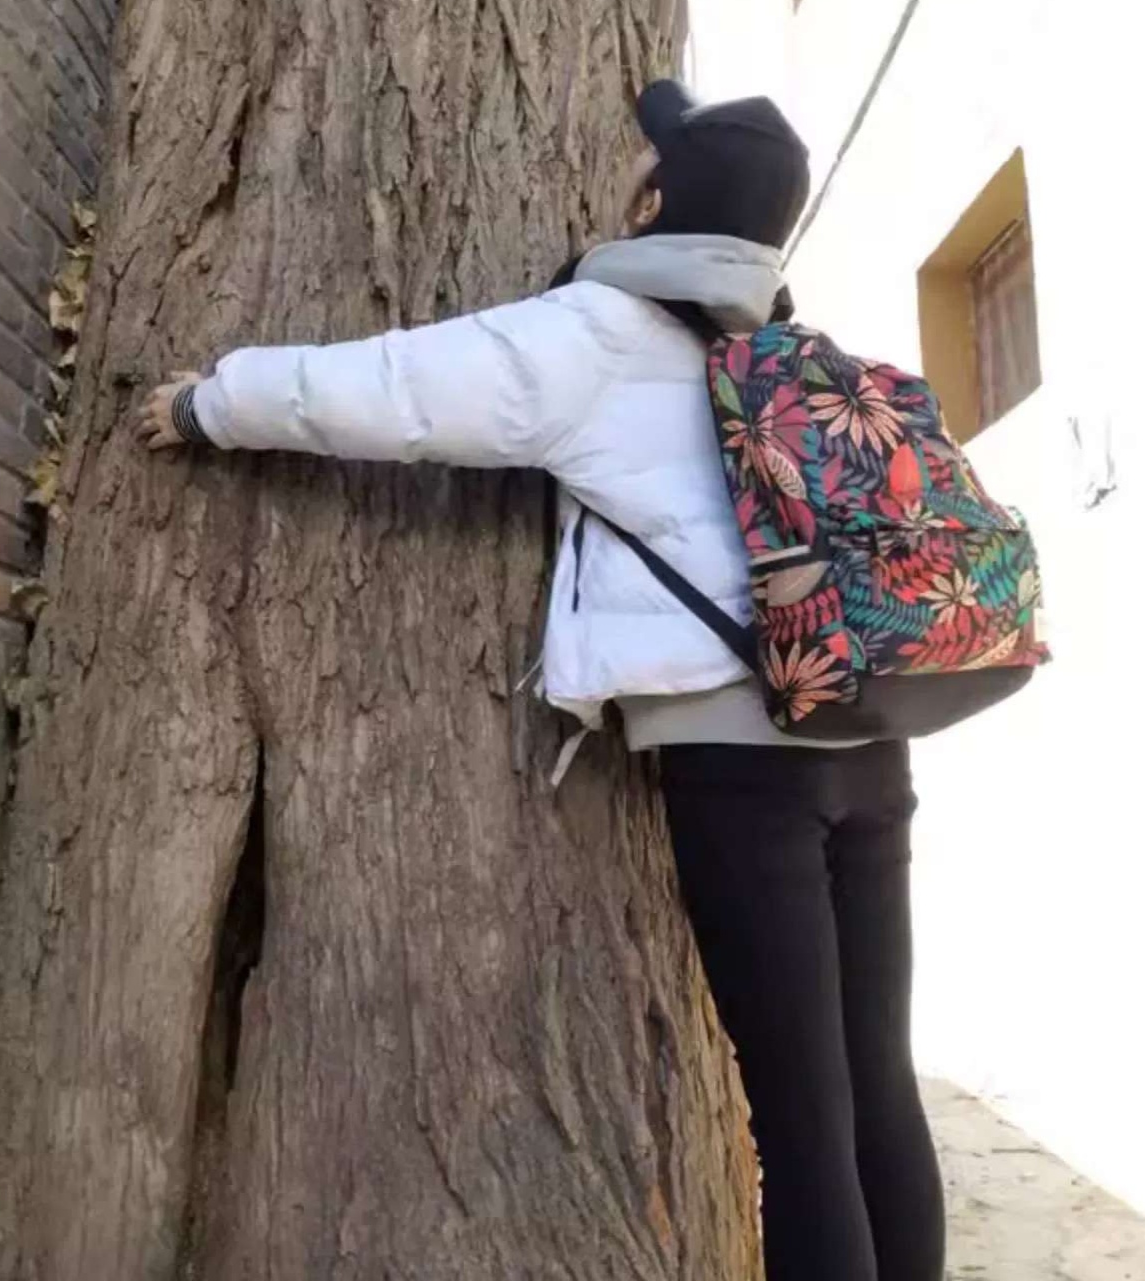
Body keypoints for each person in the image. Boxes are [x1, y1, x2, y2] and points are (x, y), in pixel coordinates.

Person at [138, 81, 946, 1281]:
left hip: (741, 761)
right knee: (878, 1088)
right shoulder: (792, 353)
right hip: (869, 736)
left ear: (658, 204)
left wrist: (209, 403)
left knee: (801, 1122)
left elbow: (392, 390)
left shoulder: (593, 337)